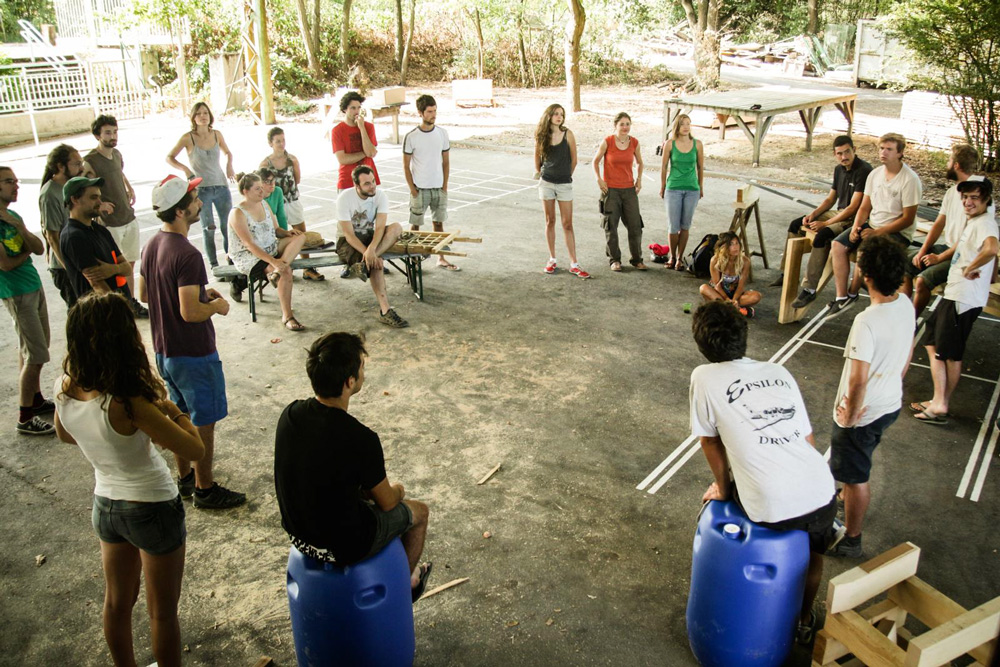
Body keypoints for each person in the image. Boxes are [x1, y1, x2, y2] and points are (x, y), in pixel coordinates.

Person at [53, 292, 205, 667]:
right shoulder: (128, 402)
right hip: (152, 506)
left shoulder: (65, 387)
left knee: (117, 602)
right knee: (162, 612)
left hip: (105, 504)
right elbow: (195, 450)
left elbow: (65, 435)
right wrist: (173, 410)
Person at [690, 299, 840, 643]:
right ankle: (803, 620)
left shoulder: (704, 377)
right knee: (813, 555)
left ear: (702, 345)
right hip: (821, 488)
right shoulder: (778, 371)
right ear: (744, 335)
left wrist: (722, 488)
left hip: (770, 503)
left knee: (735, 495)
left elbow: (710, 442)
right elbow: (809, 439)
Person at [274, 332, 432, 601]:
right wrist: (400, 490)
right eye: (361, 367)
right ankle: (404, 587)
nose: (363, 371)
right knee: (420, 513)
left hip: (298, 534)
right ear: (350, 382)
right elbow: (388, 503)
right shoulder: (361, 438)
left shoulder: (290, 414)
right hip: (345, 546)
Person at [140, 174, 246, 509]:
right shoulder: (187, 253)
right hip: (194, 353)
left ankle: (184, 478)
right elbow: (189, 312)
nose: (201, 202)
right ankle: (205, 488)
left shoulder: (152, 244)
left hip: (164, 351)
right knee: (203, 422)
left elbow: (143, 293)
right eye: (195, 198)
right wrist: (214, 305)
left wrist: (201, 292)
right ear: (181, 211)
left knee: (179, 414)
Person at [827, 236, 915, 558]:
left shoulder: (866, 322)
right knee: (857, 464)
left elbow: (858, 379)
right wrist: (895, 379)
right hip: (889, 404)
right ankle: (846, 497)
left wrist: (849, 418)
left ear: (866, 276)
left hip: (862, 414)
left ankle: (852, 537)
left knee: (856, 476)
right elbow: (909, 347)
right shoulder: (905, 302)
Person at [910, 178, 998, 425]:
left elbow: (991, 248)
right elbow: (976, 251)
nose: (968, 202)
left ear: (986, 200)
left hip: (964, 297)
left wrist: (971, 268)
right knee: (931, 341)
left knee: (948, 353)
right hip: (956, 293)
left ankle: (940, 404)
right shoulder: (976, 221)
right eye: (965, 198)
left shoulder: (985, 224)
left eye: (974, 198)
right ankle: (940, 401)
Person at [774, 136, 873, 309]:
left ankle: (809, 289)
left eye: (847, 152)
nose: (844, 157)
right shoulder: (838, 169)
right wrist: (813, 215)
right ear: (835, 155)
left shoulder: (864, 170)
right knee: (796, 224)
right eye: (839, 153)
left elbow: (853, 207)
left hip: (854, 217)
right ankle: (786, 273)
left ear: (854, 150)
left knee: (822, 237)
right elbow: (830, 199)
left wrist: (825, 225)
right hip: (838, 212)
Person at [829, 133, 922, 315]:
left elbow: (908, 219)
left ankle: (852, 293)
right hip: (872, 225)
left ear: (900, 153)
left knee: (864, 252)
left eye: (889, 149)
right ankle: (841, 297)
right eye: (881, 148)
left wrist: (877, 232)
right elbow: (864, 207)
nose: (884, 153)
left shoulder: (910, 179)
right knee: (837, 245)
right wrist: (856, 227)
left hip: (897, 232)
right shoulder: (875, 174)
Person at [907, 144, 993, 316]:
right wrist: (923, 250)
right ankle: (902, 313)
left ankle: (911, 322)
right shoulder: (951, 192)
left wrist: (938, 258)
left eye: (949, 160)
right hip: (947, 247)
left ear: (956, 166)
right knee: (904, 264)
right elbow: (939, 224)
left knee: (923, 281)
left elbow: (967, 240)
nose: (947, 164)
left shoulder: (979, 196)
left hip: (964, 255)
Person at [0, 167, 56, 436]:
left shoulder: (13, 217)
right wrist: (26, 249)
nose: (16, 186)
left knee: (37, 347)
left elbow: (38, 247)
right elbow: (7, 264)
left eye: (16, 181)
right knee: (35, 355)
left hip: (33, 286)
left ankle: (34, 399)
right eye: (9, 182)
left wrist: (20, 228)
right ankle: (24, 417)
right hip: (16, 291)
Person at [82, 115, 148, 317]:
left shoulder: (117, 154)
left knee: (130, 264)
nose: (113, 136)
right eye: (108, 132)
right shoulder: (90, 161)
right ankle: (120, 304)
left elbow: (119, 172)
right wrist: (99, 204)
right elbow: (83, 187)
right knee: (116, 267)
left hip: (127, 216)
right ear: (97, 135)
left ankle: (130, 301)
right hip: (110, 223)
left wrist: (129, 188)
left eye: (115, 131)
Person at [227, 172, 307, 331]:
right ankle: (287, 316)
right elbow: (248, 244)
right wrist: (273, 261)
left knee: (300, 237)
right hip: (250, 256)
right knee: (286, 272)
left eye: (261, 188)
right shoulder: (237, 213)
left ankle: (278, 269)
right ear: (245, 191)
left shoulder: (264, 204)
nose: (262, 192)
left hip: (269, 246)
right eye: (257, 189)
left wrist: (287, 233)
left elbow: (276, 229)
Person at [165, 102, 236, 268]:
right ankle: (214, 265)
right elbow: (170, 157)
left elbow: (228, 152)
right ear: (193, 117)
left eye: (205, 113)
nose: (203, 116)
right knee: (208, 228)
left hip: (221, 186)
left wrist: (229, 164)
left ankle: (231, 261)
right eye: (199, 114)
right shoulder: (188, 138)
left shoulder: (217, 134)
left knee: (227, 226)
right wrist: (185, 170)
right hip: (201, 190)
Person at [336, 165, 409, 328]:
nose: (372, 186)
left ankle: (362, 264)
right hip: (348, 240)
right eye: (367, 183)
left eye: (373, 181)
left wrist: (372, 250)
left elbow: (380, 227)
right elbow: (348, 234)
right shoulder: (344, 198)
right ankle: (385, 311)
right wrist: (367, 252)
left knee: (396, 227)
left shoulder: (380, 195)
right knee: (376, 264)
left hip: (370, 237)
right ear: (357, 186)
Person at [403, 94, 459, 271]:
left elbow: (446, 161)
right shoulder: (411, 136)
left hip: (438, 187)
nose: (433, 115)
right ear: (420, 113)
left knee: (439, 224)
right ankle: (413, 260)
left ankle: (441, 258)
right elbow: (406, 166)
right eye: (429, 111)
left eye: (435, 111)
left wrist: (444, 186)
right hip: (420, 188)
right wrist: (413, 189)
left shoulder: (442, 133)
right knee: (416, 225)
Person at [260, 128, 324, 281]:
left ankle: (307, 267)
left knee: (301, 232)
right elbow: (261, 183)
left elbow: (297, 179)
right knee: (281, 234)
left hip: (292, 200)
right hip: (275, 202)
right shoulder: (265, 164)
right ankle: (283, 266)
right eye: (277, 141)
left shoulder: (292, 160)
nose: (281, 144)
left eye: (283, 140)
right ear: (270, 143)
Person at [534, 104, 589, 278]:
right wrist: (543, 174)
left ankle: (574, 263)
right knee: (550, 221)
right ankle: (552, 259)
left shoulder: (568, 134)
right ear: (549, 116)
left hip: (564, 184)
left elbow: (574, 160)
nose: (559, 117)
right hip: (547, 183)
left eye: (562, 114)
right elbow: (537, 157)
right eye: (556, 114)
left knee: (567, 223)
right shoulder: (542, 136)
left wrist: (566, 176)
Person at [59, 176, 134, 301]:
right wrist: (121, 310)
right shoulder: (74, 237)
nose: (100, 202)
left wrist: (113, 269)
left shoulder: (100, 230)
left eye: (99, 197)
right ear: (75, 199)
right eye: (93, 197)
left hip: (119, 307)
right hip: (102, 313)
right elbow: (98, 285)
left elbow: (127, 268)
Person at [593, 112, 647, 272]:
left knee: (635, 226)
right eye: (622, 124)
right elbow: (595, 162)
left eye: (628, 124)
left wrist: (639, 179)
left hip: (629, 190)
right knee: (611, 226)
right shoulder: (608, 141)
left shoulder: (634, 142)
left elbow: (640, 162)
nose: (625, 127)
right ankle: (614, 260)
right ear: (615, 125)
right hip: (610, 190)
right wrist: (599, 179)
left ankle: (637, 259)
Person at [38, 143, 84, 307]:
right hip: (65, 267)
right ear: (60, 166)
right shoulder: (50, 194)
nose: (81, 167)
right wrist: (69, 268)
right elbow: (52, 237)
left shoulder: (72, 186)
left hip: (78, 261)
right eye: (76, 164)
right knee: (78, 313)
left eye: (81, 163)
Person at [659, 114, 704, 271]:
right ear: (677, 126)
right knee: (673, 226)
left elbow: (700, 167)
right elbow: (664, 166)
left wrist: (701, 186)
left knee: (685, 225)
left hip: (692, 189)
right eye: (683, 124)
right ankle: (672, 256)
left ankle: (680, 258)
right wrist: (663, 185)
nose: (686, 127)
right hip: (674, 188)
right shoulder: (670, 144)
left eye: (688, 124)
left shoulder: (697, 144)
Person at [698, 232, 761, 318]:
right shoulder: (715, 260)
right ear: (724, 247)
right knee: (703, 288)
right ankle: (737, 310)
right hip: (720, 295)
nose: (735, 247)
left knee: (756, 296)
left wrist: (734, 300)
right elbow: (717, 286)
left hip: (737, 296)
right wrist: (727, 300)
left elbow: (741, 286)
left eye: (737, 243)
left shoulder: (745, 261)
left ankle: (724, 309)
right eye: (731, 244)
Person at [332, 91, 379, 193]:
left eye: (358, 107)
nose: (356, 111)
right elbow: (342, 159)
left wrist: (361, 128)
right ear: (345, 109)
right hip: (347, 181)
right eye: (353, 108)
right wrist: (364, 153)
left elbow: (371, 153)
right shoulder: (337, 130)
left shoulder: (368, 127)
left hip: (368, 180)